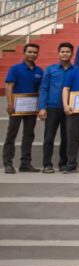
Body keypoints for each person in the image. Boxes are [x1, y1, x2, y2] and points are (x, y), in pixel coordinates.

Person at [4, 43, 43, 174]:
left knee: (29, 135)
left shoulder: (39, 71)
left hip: (31, 108)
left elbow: (39, 90)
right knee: (11, 135)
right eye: (29, 52)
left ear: (37, 54)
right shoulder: (15, 68)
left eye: (35, 52)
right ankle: (8, 163)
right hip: (16, 107)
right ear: (24, 53)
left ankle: (25, 163)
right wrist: (10, 103)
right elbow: (9, 86)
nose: (32, 54)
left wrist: (39, 106)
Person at [38, 43, 74, 173]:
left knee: (66, 138)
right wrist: (42, 107)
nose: (65, 54)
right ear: (58, 53)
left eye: (68, 51)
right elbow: (44, 88)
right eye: (62, 51)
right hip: (52, 108)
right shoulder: (50, 69)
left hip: (68, 109)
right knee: (49, 137)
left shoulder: (76, 70)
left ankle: (63, 163)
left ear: (72, 54)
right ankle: (47, 164)